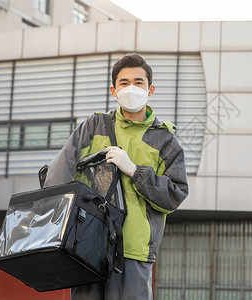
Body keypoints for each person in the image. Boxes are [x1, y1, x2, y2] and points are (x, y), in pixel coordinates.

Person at [43, 53, 189, 299]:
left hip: (134, 250)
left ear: (150, 89)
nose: (131, 87)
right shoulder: (93, 126)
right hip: (87, 244)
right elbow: (59, 173)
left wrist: (135, 171)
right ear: (114, 90)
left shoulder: (166, 141)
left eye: (138, 82)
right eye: (124, 82)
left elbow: (174, 195)